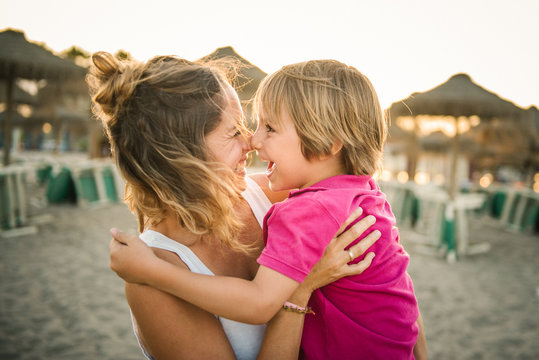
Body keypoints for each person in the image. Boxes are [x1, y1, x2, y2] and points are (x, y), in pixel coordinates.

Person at [110, 59, 427, 359]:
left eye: (265, 128)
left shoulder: (294, 198)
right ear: (182, 154)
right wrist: (299, 292)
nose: (252, 142)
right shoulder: (149, 275)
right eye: (234, 132)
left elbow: (395, 283)